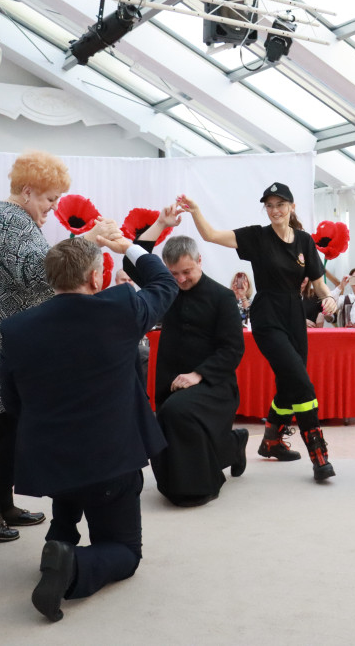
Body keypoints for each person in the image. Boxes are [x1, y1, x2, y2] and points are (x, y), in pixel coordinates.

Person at [0, 150, 119, 542]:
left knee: (2, 428)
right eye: (50, 199)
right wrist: (87, 239)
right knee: (17, 428)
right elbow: (39, 275)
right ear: (29, 190)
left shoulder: (5, 218)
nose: (53, 207)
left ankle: (2, 504)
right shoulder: (10, 221)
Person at [0, 236, 176, 621]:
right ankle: (71, 564)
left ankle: (60, 536)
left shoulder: (17, 328)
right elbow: (164, 283)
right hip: (110, 462)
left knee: (71, 469)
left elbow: (11, 401)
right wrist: (127, 244)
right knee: (126, 553)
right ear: (96, 278)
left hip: (51, 465)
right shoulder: (122, 307)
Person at [176, 183, 338, 481]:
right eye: (269, 205)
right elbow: (211, 235)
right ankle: (318, 454)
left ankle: (271, 441)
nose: (274, 210)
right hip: (267, 314)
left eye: (280, 204)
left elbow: (318, 282)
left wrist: (328, 297)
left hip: (294, 314)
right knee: (301, 381)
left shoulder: (304, 240)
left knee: (291, 380)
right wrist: (197, 211)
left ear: (292, 207)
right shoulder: (257, 236)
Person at [124, 209, 248, 506]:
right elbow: (133, 258)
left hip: (213, 386)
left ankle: (196, 487)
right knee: (171, 416)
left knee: (177, 414)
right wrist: (160, 224)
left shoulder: (222, 297)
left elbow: (233, 349)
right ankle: (230, 446)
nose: (180, 279)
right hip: (171, 382)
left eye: (187, 272)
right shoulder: (166, 289)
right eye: (173, 273)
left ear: (199, 262)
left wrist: (198, 375)